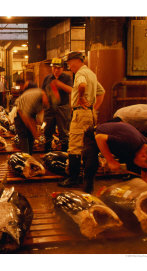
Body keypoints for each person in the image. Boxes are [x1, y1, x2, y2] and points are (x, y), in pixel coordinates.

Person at [58, 51, 105, 188]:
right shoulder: (91, 73)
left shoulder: (80, 74)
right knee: (89, 147)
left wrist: (81, 98)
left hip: (80, 114)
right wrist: (93, 108)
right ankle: (88, 179)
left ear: (77, 61)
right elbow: (101, 92)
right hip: (89, 114)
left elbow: (82, 85)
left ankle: (73, 178)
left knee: (74, 146)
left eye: (69, 63)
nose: (69, 66)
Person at [82, 122, 147, 193]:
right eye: (145, 166)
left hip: (111, 141)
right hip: (93, 136)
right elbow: (99, 138)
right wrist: (110, 160)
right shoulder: (129, 142)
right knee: (92, 164)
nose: (144, 168)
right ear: (143, 156)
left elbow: (146, 176)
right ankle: (87, 194)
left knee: (134, 172)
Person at [41, 58, 73, 152]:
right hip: (49, 110)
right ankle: (47, 154)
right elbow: (42, 92)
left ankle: (64, 156)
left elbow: (72, 90)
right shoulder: (47, 78)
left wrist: (59, 84)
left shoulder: (67, 78)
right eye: (54, 68)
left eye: (58, 68)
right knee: (47, 132)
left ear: (62, 68)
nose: (56, 70)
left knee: (64, 133)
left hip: (62, 109)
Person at [14, 88, 49, 154]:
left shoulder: (44, 101)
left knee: (31, 137)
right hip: (19, 112)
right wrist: (34, 131)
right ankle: (26, 158)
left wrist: (38, 126)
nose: (47, 103)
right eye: (48, 100)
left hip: (29, 113)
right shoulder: (34, 97)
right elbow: (25, 117)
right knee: (24, 136)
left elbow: (39, 114)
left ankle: (30, 156)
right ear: (46, 95)